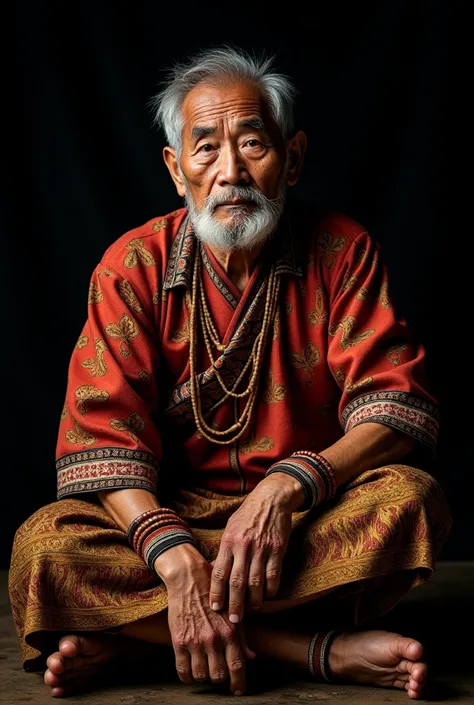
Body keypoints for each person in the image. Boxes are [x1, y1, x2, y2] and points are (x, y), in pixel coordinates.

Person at [9, 46, 451, 700]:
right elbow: (101, 442)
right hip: (167, 525)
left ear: (293, 158)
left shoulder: (342, 250)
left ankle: (140, 637)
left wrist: (288, 486)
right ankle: (310, 649)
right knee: (41, 546)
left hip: (300, 522)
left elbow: (394, 403)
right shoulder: (132, 267)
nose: (230, 171)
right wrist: (175, 557)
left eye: (252, 144)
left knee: (411, 501)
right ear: (175, 168)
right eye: (206, 148)